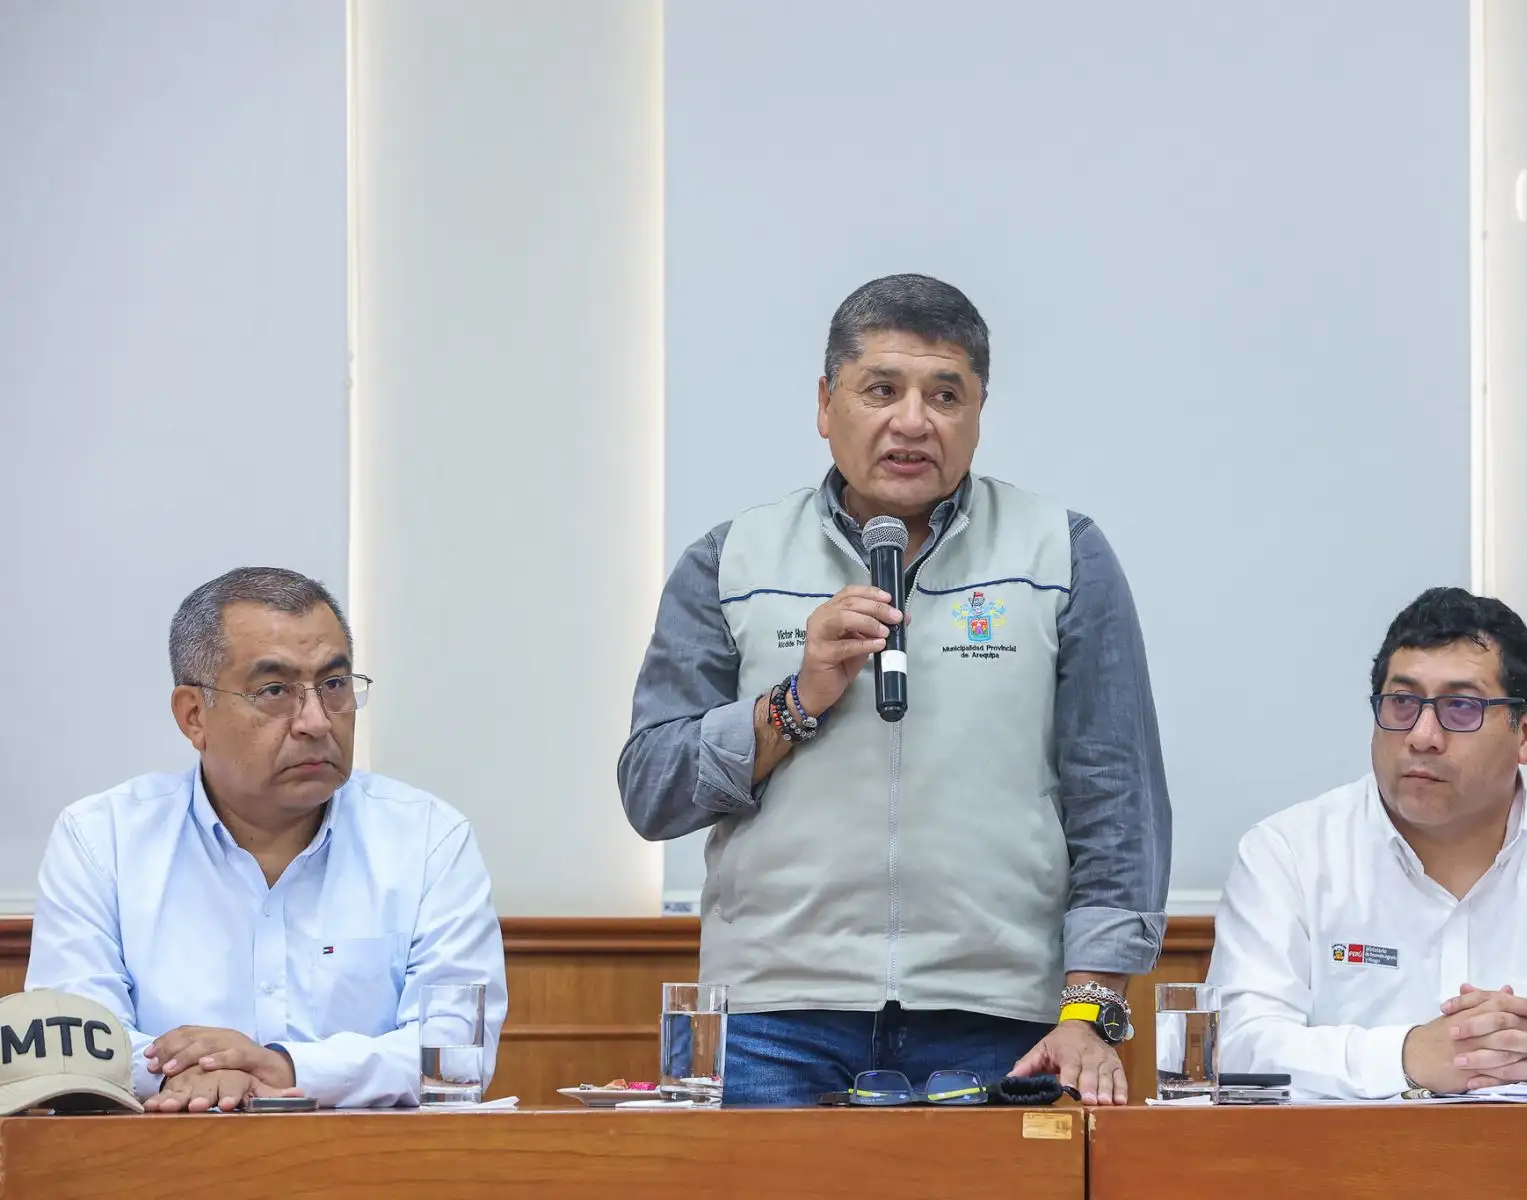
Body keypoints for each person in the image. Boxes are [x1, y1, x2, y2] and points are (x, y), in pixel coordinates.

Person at [620, 274, 1170, 1106]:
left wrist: (1092, 1009)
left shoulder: (1061, 554)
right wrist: (794, 702)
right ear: (825, 403)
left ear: (979, 412)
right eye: (881, 390)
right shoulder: (730, 561)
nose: (913, 422)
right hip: (772, 1017)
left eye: (945, 395)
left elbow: (1118, 803)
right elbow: (651, 789)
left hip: (996, 1014)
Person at [25, 567, 507, 1111]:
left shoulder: (427, 839)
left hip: (367, 1159)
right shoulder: (102, 839)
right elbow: (72, 1042)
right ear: (193, 716)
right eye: (274, 691)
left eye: (334, 685)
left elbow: (454, 1054)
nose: (315, 722)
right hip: (163, 1156)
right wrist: (198, 1076)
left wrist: (283, 1067)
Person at [1206, 587, 1527, 1098]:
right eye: (1403, 703)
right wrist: (1405, 1057)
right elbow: (1238, 1046)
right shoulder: (1288, 854)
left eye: (1462, 707)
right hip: (1352, 1152)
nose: (1423, 735)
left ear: (1525, 732)